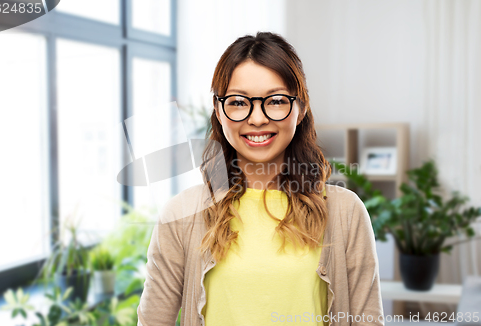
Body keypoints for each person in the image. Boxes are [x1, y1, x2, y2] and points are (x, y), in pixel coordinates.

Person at [137, 31, 385, 326]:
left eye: (276, 100)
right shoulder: (181, 214)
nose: (257, 118)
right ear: (218, 110)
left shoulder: (345, 211)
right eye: (239, 102)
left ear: (301, 109)